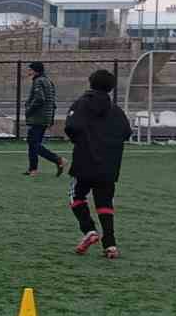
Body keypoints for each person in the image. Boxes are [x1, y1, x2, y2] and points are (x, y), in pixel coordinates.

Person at [64, 68, 132, 258]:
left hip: (85, 160)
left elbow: (71, 126)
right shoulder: (116, 110)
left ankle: (89, 230)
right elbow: (126, 132)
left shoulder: (81, 104)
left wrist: (82, 141)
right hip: (109, 163)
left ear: (90, 83)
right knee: (105, 202)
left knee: (76, 196)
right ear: (111, 88)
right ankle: (110, 245)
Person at [24, 60, 65, 177]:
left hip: (38, 117)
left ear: (35, 71)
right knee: (33, 143)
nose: (29, 71)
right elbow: (52, 101)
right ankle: (33, 169)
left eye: (30, 69)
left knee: (34, 143)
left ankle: (58, 160)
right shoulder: (47, 81)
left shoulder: (38, 81)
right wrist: (50, 118)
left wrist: (29, 110)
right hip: (45, 117)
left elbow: (39, 99)